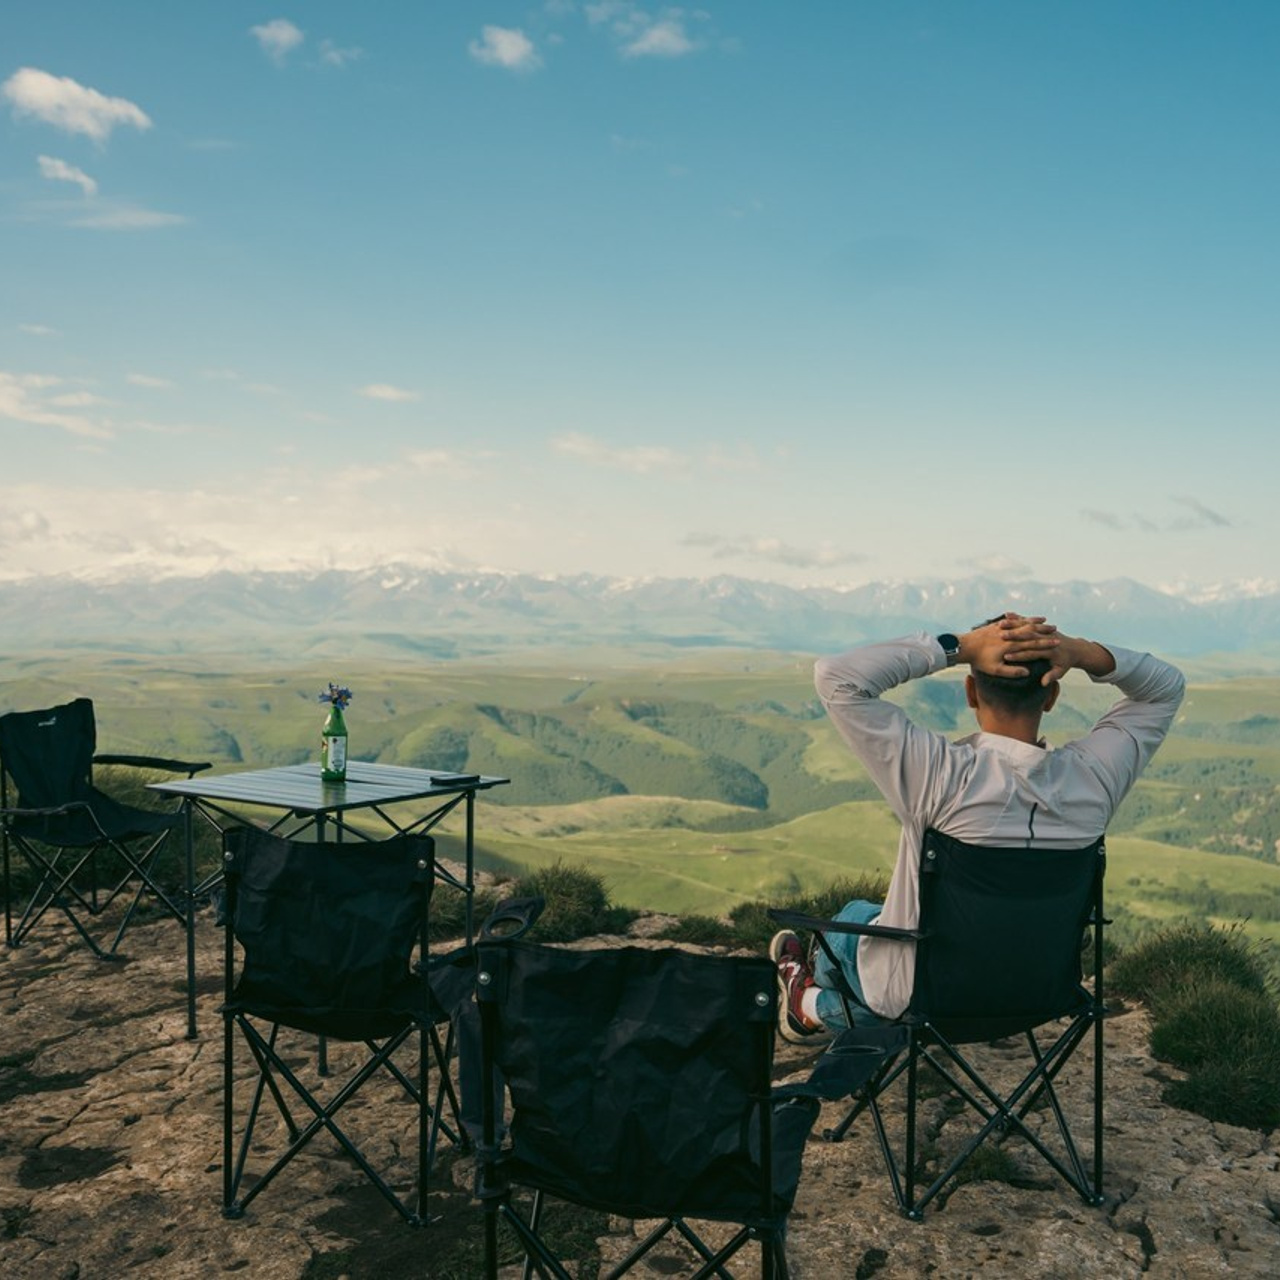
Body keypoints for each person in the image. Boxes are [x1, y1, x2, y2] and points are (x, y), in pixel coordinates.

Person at [771, 612, 1186, 1043]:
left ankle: (808, 1005)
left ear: (971, 691)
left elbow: (836, 677)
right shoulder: (1095, 781)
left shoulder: (941, 777)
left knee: (853, 919)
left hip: (925, 999)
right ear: (1052, 696)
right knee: (872, 926)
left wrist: (961, 647)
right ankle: (818, 1008)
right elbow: (1165, 688)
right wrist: (1079, 651)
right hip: (1041, 993)